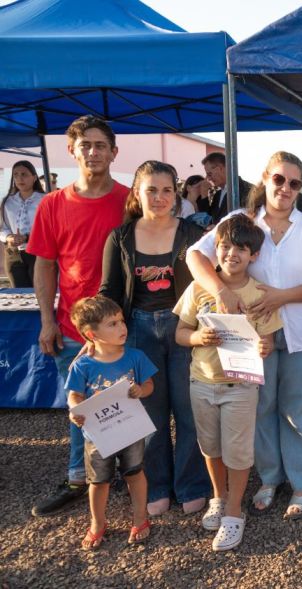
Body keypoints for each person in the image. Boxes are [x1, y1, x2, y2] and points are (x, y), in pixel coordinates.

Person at [186, 151, 302, 521]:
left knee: (301, 408)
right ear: (265, 179)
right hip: (251, 336)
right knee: (261, 406)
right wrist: (221, 291)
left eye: (295, 183)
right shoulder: (240, 221)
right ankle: (269, 478)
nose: (285, 188)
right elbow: (194, 255)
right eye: (279, 179)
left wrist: (281, 297)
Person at [27, 115, 130, 517]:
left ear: (113, 152)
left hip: (122, 327)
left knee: (125, 405)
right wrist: (47, 321)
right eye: (84, 144)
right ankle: (78, 478)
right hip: (72, 328)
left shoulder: (128, 201)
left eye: (100, 144)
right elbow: (44, 265)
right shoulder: (53, 204)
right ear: (72, 150)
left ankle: (126, 474)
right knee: (80, 410)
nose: (93, 151)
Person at [99, 161, 210, 517]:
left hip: (183, 330)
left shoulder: (193, 234)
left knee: (190, 411)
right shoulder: (120, 237)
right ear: (137, 193)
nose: (160, 197)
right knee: (150, 413)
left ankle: (192, 483)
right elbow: (110, 291)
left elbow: (211, 281)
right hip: (138, 331)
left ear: (175, 194)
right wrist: (101, 338)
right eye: (151, 189)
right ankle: (157, 484)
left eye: (166, 190)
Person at [175, 214, 280, 551]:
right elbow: (179, 333)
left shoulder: (258, 293)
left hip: (241, 387)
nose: (231, 253)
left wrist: (266, 346)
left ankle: (234, 513)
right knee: (210, 447)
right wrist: (197, 337)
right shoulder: (198, 288)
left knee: (237, 451)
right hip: (201, 382)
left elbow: (268, 340)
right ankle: (218, 498)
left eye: (241, 248)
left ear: (254, 256)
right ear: (215, 249)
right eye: (224, 246)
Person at [66, 295, 156, 550]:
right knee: (98, 481)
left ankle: (140, 517)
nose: (122, 327)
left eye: (121, 321)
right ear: (91, 334)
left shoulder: (136, 357)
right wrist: (74, 409)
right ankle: (97, 523)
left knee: (135, 473)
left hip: (130, 430)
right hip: (97, 435)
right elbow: (74, 395)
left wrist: (141, 390)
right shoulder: (82, 364)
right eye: (112, 324)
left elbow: (150, 385)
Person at [1, 160, 45, 287]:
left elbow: (51, 228)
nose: (19, 178)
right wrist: (9, 237)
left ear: (34, 177)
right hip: (13, 253)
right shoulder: (7, 201)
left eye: (24, 174)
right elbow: (3, 228)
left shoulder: (45, 200)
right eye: (16, 174)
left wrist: (26, 237)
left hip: (38, 252)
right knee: (19, 294)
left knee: (40, 292)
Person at [197, 152, 253, 224]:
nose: (208, 178)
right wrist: (204, 195)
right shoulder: (217, 195)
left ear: (220, 168)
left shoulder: (249, 190)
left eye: (209, 174)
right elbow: (207, 220)